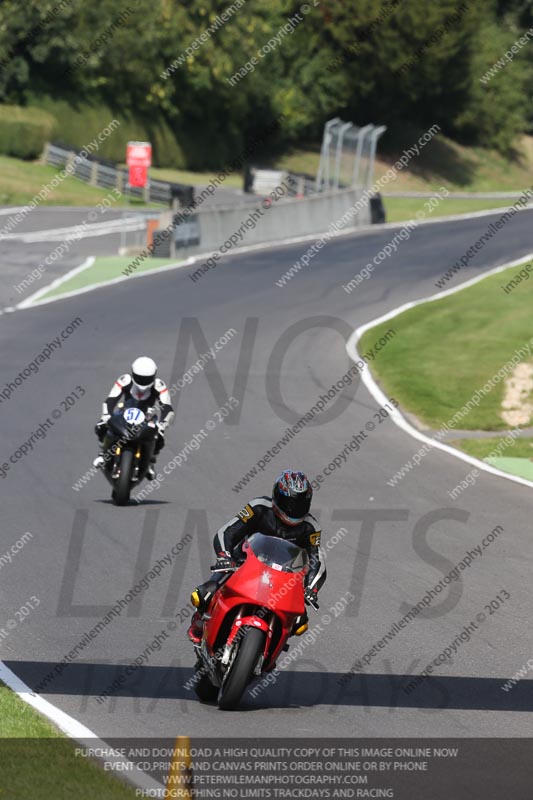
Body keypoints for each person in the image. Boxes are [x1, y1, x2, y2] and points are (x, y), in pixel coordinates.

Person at [188, 469, 326, 644]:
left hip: (284, 577)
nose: (294, 509)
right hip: (242, 563)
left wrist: (311, 589)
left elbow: (317, 561)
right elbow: (228, 532)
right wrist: (225, 555)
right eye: (289, 503)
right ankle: (200, 620)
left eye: (299, 504)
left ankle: (268, 647)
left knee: (299, 623)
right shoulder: (259, 506)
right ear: (277, 496)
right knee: (204, 593)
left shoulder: (311, 527)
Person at [93, 357, 174, 480]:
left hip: (148, 417)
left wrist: (162, 425)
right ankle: (104, 454)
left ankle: (150, 461)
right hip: (125, 412)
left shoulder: (159, 386)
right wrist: (106, 416)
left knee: (160, 437)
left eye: (146, 379)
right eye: (140, 378)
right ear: (133, 373)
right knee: (101, 426)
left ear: (154, 376)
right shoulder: (125, 380)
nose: (143, 382)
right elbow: (110, 400)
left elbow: (167, 408)